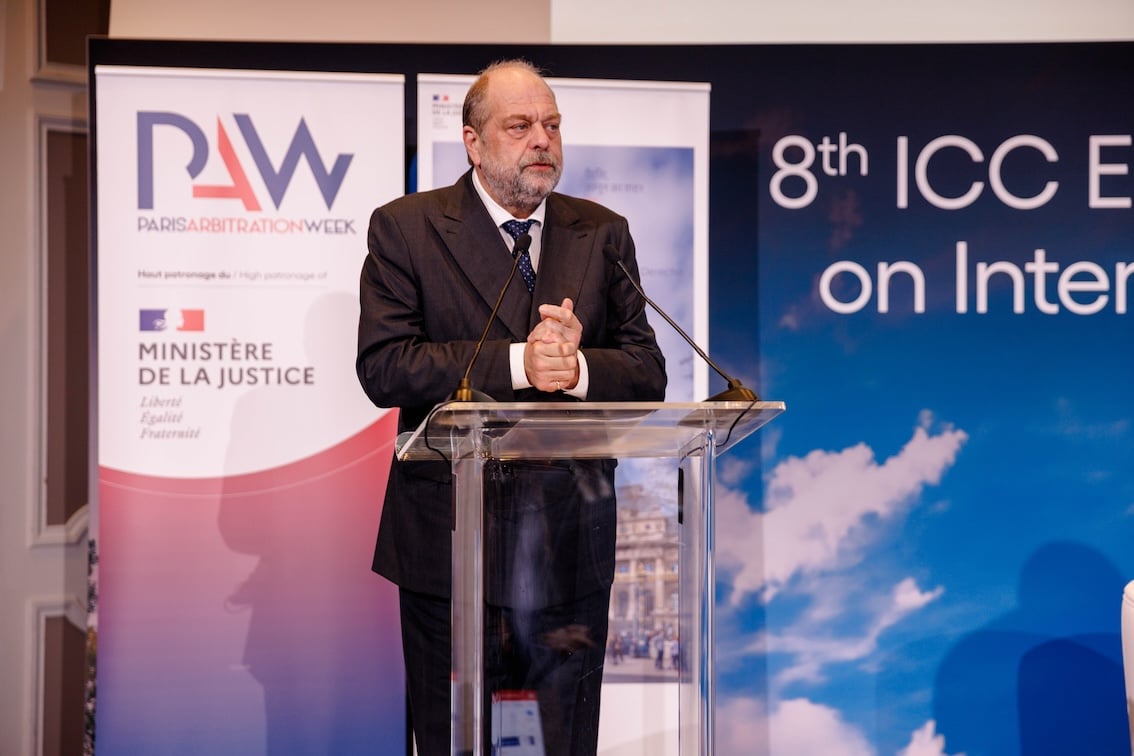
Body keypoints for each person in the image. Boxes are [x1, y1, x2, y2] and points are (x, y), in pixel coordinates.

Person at [356, 59, 666, 756]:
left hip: (569, 545)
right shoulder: (407, 228)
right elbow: (385, 366)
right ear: (473, 141)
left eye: (551, 125)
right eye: (520, 126)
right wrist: (520, 363)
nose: (542, 140)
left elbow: (648, 372)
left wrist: (577, 370)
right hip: (449, 547)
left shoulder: (602, 232)